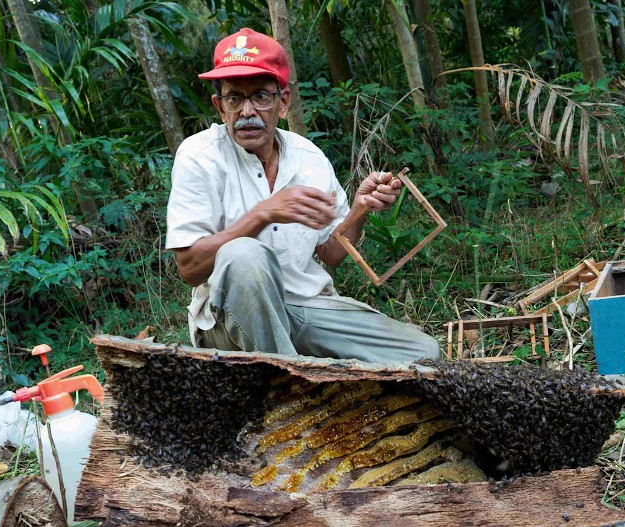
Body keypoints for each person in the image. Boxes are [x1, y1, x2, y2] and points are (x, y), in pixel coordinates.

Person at [165, 28, 441, 365]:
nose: (247, 111)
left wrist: (359, 209)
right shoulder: (199, 156)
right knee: (243, 255)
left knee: (423, 353)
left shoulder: (308, 157)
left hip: (308, 310)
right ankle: (292, 381)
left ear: (283, 102)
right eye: (234, 98)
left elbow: (331, 253)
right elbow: (189, 268)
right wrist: (264, 213)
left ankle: (299, 366)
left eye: (261, 97)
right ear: (220, 107)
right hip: (229, 323)